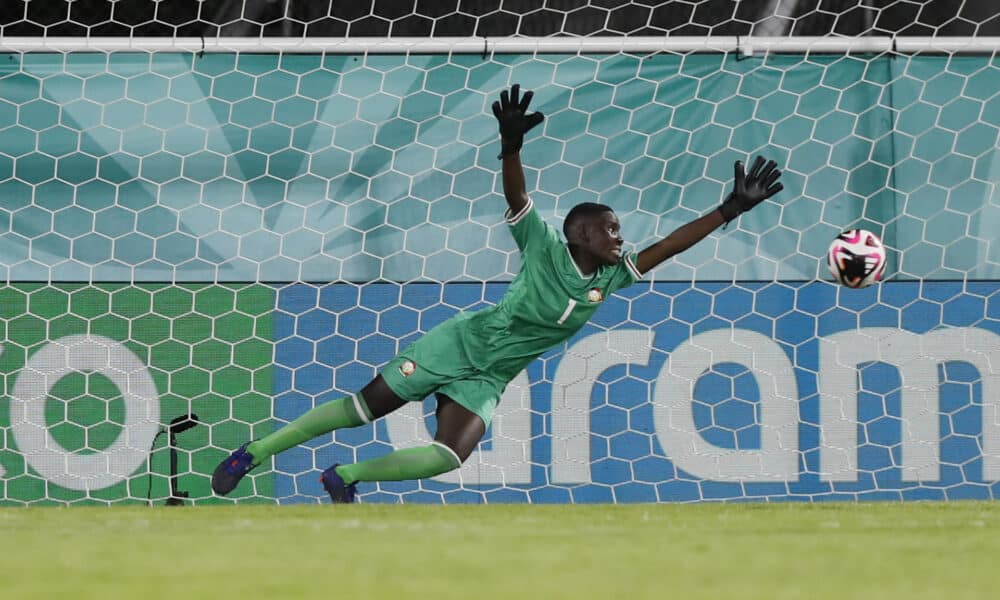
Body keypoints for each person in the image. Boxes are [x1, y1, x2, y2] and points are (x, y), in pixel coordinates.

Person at [211, 84, 784, 502]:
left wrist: (729, 210)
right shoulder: (543, 246)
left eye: (618, 230)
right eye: (609, 228)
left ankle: (347, 478)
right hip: (458, 346)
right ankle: (253, 454)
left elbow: (671, 246)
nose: (620, 236)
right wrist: (510, 146)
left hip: (488, 376)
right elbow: (517, 198)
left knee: (447, 456)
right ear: (580, 233)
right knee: (364, 410)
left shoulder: (612, 274)